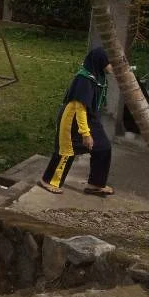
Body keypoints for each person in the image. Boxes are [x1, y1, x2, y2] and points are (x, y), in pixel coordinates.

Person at [39, 47, 114, 196]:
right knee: (67, 150)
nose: (111, 66)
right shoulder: (84, 79)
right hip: (73, 117)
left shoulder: (99, 77)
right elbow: (79, 107)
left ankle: (95, 184)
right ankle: (48, 181)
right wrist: (86, 134)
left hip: (90, 116)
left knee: (103, 147)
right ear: (99, 62)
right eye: (108, 62)